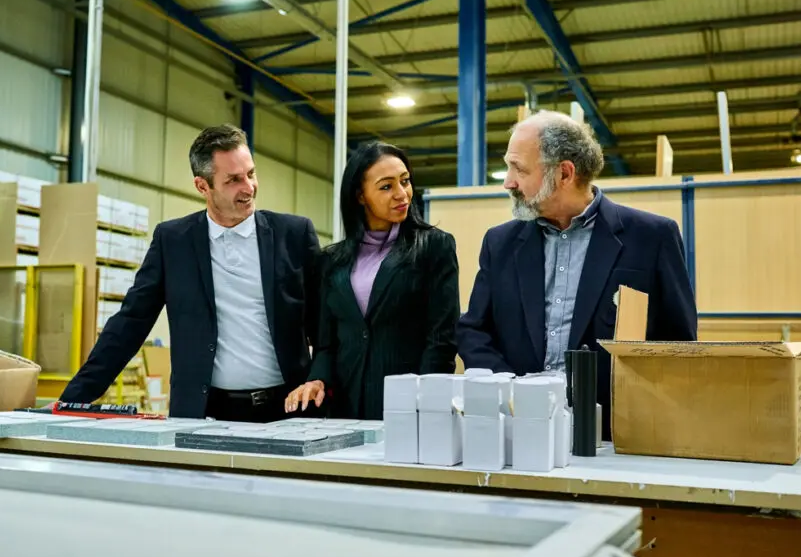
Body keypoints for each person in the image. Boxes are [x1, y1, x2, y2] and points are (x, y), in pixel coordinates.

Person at [456, 110, 696, 439]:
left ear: (565, 173)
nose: (508, 181)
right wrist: (509, 390)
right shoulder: (500, 243)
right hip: (519, 430)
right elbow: (474, 330)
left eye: (519, 169)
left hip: (617, 437)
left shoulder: (652, 237)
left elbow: (679, 345)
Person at [58, 124, 321, 422]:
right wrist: (71, 401)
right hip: (205, 413)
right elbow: (130, 323)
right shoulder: (173, 241)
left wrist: (323, 381)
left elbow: (325, 327)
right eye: (233, 180)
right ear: (202, 186)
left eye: (251, 173)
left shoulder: (295, 235)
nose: (248, 187)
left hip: (288, 411)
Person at [284, 141, 459, 420]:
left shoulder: (434, 247)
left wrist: (426, 401)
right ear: (360, 196)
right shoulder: (332, 261)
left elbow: (441, 339)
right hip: (345, 408)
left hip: (409, 408)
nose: (402, 194)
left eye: (405, 181)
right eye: (386, 186)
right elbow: (327, 344)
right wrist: (316, 379)